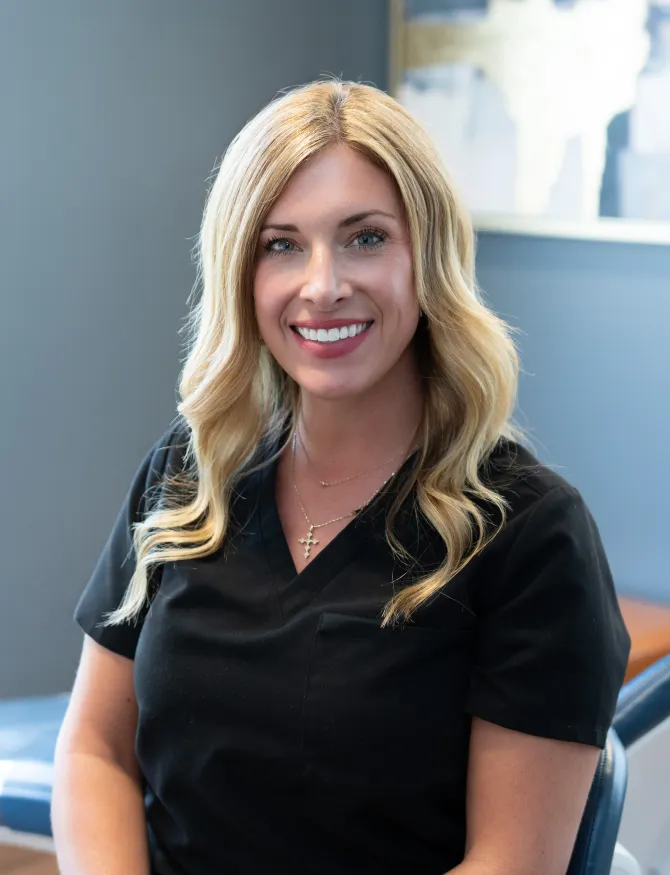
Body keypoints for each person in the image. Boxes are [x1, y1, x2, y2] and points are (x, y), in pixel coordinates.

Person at [51, 79, 630, 875]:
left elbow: (510, 863)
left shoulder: (531, 534)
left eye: (364, 238)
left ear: (426, 258)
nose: (322, 285)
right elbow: (95, 751)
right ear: (242, 273)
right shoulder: (189, 475)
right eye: (281, 244)